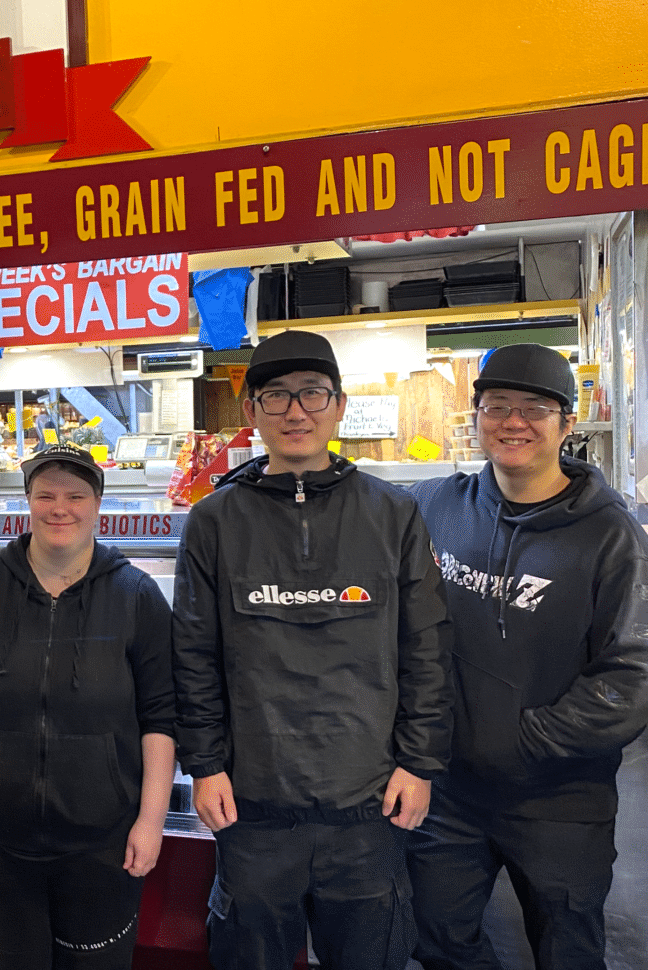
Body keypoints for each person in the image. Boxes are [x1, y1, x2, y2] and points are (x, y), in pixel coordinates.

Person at [173, 329, 452, 969]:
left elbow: (427, 649)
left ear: (339, 405)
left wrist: (419, 764)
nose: (295, 411)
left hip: (370, 804)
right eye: (276, 396)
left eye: (313, 394)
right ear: (251, 411)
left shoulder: (393, 514)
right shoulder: (214, 521)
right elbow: (193, 655)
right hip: (252, 806)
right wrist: (205, 766)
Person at [406, 343, 648, 970]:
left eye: (535, 408)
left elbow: (633, 674)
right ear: (477, 416)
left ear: (567, 423)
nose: (513, 422)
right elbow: (348, 511)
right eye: (497, 406)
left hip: (560, 797)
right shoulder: (437, 506)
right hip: (448, 791)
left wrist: (524, 740)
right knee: (439, 939)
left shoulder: (612, 536)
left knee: (567, 949)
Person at [0, 441, 176, 969]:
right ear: (28, 502)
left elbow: (161, 715)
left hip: (103, 840)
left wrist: (151, 820)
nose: (60, 508)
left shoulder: (136, 594)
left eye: (75, 496)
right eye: (46, 495)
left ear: (97, 505)